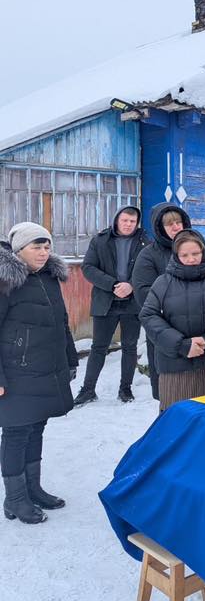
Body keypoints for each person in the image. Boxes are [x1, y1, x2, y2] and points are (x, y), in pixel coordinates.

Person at [0, 223, 78, 524]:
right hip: (16, 371)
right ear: (19, 250)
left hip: (46, 368)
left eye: (47, 247)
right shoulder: (6, 280)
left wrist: (70, 358)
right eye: (37, 246)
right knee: (17, 433)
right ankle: (16, 498)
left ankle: (33, 489)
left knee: (36, 429)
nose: (44, 253)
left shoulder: (48, 277)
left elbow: (61, 321)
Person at [139, 230, 205, 412]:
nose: (191, 259)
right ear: (176, 255)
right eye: (184, 255)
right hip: (175, 367)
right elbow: (149, 316)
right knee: (176, 422)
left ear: (204, 251)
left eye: (195, 254)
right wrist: (181, 345)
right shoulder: (163, 282)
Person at [74, 206, 149, 406]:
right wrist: (113, 284)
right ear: (117, 220)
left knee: (130, 347)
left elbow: (150, 269)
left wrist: (131, 285)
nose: (128, 225)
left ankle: (125, 389)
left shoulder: (145, 242)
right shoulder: (100, 240)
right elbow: (88, 268)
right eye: (125, 220)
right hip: (106, 302)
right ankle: (88, 390)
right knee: (98, 347)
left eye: (132, 221)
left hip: (132, 303)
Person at [131, 203, 191, 400]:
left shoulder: (197, 247)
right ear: (159, 227)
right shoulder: (149, 255)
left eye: (178, 222)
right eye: (169, 224)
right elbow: (144, 294)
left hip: (198, 333)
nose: (175, 227)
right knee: (170, 396)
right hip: (165, 332)